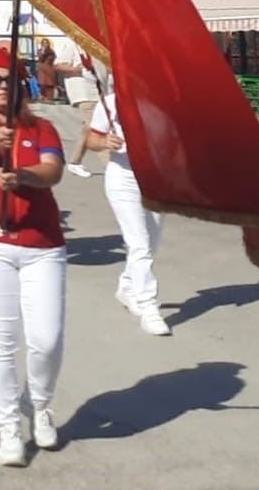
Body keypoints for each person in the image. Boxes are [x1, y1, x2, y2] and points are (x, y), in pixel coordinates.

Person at [0, 45, 67, 466]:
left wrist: (23, 176)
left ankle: (39, 404)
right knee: (0, 340)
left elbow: (52, 170)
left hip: (42, 244)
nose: (3, 87)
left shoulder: (41, 128)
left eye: (10, 80)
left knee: (46, 339)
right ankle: (8, 429)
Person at [87, 89, 170, 336]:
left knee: (152, 243)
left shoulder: (167, 101)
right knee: (139, 244)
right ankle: (148, 306)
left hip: (156, 180)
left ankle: (127, 285)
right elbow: (92, 138)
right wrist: (104, 142)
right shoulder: (111, 103)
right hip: (124, 179)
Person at [53, 34, 99, 178]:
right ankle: (110, 164)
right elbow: (58, 64)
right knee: (93, 126)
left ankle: (76, 162)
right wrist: (77, 70)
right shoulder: (74, 43)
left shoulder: (95, 45)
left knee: (89, 127)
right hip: (81, 91)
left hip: (96, 90)